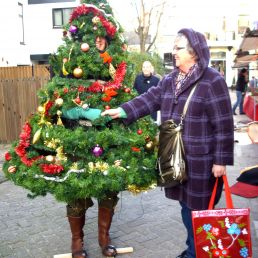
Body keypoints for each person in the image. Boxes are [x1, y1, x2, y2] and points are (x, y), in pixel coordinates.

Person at [101, 28, 234, 258]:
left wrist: (220, 160)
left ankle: (197, 252)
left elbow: (223, 123)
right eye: (173, 47)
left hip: (202, 162)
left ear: (194, 51)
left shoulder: (213, 80)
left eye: (178, 48)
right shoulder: (171, 79)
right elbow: (149, 99)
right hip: (175, 158)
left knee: (200, 211)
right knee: (185, 207)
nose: (173, 52)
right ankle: (194, 249)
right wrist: (122, 110)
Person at [65, 36, 118, 258]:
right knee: (77, 191)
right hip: (77, 142)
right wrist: (87, 113)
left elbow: (121, 97)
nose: (96, 44)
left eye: (100, 40)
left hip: (106, 141)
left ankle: (104, 237)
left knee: (108, 189)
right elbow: (62, 108)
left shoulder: (112, 63)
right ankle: (77, 241)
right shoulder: (71, 65)